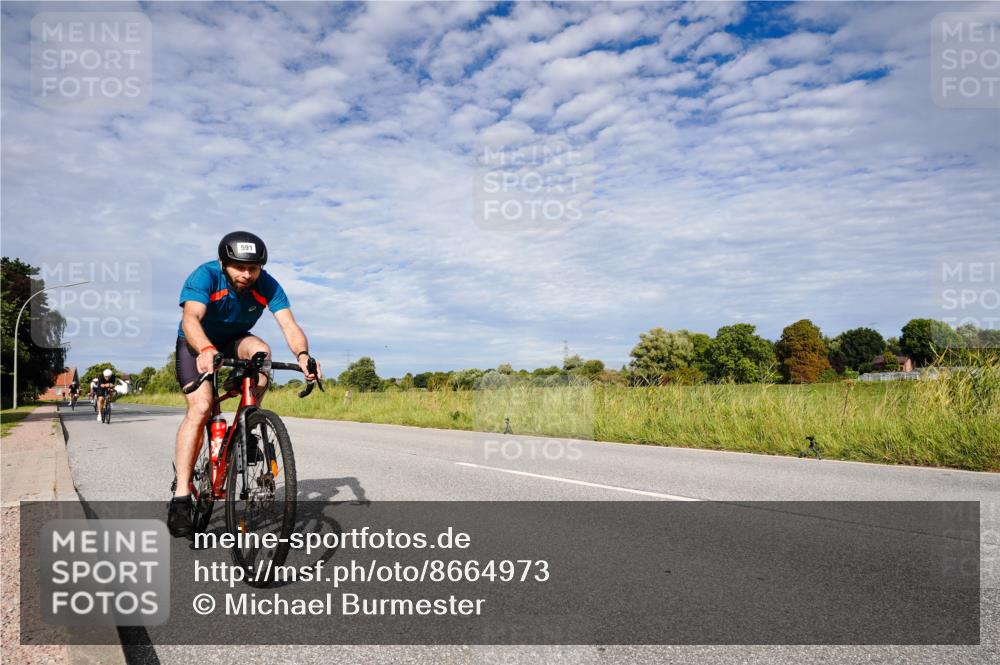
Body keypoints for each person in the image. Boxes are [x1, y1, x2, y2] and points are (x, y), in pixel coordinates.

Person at [167, 231, 321, 537]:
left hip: (235, 341)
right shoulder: (205, 276)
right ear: (224, 263)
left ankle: (248, 420)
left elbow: (289, 325)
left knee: (262, 353)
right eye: (239, 267)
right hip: (197, 343)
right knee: (200, 408)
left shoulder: (267, 284)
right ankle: (182, 495)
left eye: (253, 268)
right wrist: (207, 349)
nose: (247, 275)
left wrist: (303, 355)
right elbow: (191, 319)